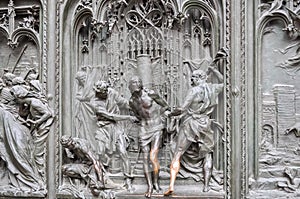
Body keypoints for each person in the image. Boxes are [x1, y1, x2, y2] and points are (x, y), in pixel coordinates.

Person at [164, 66, 223, 195]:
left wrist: (170, 113)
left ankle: (171, 185)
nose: (191, 81)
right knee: (208, 154)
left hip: (191, 123)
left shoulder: (194, 91)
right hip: (205, 124)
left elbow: (182, 108)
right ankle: (206, 186)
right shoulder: (212, 89)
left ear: (199, 78)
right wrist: (214, 70)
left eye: (193, 78)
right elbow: (223, 82)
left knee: (177, 152)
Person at [92, 80, 137, 192]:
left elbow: (123, 102)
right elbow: (110, 116)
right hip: (103, 129)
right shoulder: (95, 103)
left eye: (107, 90)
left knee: (123, 152)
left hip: (116, 128)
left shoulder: (111, 92)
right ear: (99, 93)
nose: (106, 93)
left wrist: (137, 107)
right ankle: (102, 179)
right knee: (100, 152)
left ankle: (128, 180)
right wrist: (128, 117)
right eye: (104, 92)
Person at [128, 76, 170, 198]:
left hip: (156, 127)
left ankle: (156, 182)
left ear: (140, 84)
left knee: (153, 156)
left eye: (137, 82)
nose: (135, 84)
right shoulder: (131, 101)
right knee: (145, 157)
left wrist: (160, 117)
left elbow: (165, 105)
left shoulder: (150, 94)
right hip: (143, 129)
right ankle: (150, 186)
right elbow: (137, 114)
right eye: (133, 82)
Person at [10, 85, 54, 177]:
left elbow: (48, 113)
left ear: (21, 97)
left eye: (16, 99)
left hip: (42, 128)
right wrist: (22, 105)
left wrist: (37, 121)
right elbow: (21, 114)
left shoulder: (35, 103)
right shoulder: (28, 104)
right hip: (36, 128)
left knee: (36, 153)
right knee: (32, 150)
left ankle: (41, 174)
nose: (15, 101)